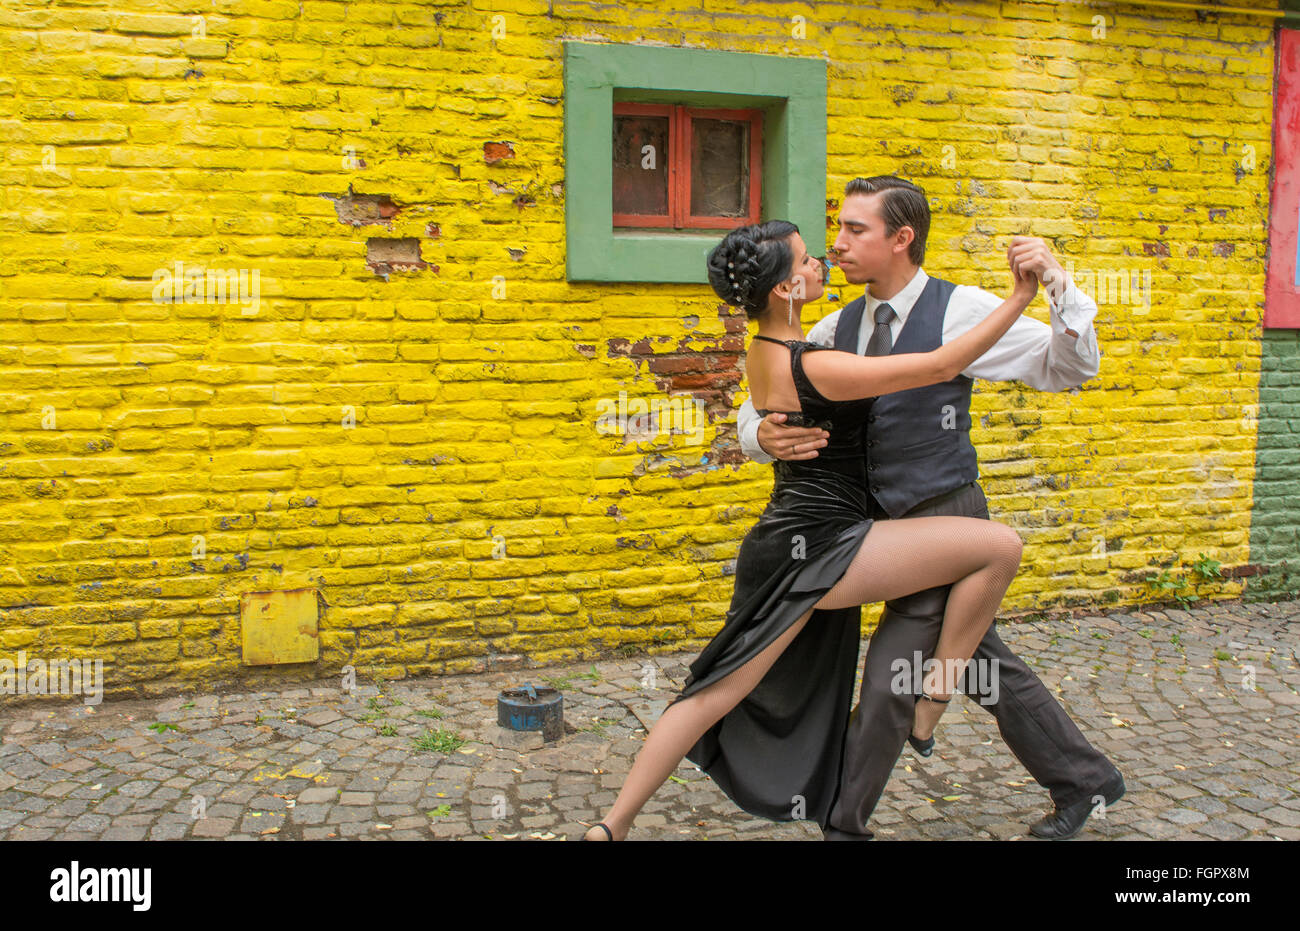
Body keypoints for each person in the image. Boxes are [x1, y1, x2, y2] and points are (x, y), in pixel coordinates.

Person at [582, 219, 1038, 841]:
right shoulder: (818, 364)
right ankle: (932, 702)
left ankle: (611, 827)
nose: (821, 262)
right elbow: (943, 363)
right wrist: (1017, 298)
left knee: (714, 689)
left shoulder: (763, 352)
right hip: (824, 546)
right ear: (783, 289)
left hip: (781, 543)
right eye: (805, 261)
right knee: (1000, 547)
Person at [737, 176, 1124, 841]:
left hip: (948, 515)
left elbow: (1068, 367)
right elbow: (762, 403)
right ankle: (1087, 779)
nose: (838, 243)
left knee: (893, 679)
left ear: (901, 238)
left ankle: (843, 824)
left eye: (857, 229)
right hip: (878, 535)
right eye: (839, 227)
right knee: (980, 659)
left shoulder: (961, 309)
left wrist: (1058, 285)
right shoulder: (835, 325)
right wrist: (760, 435)